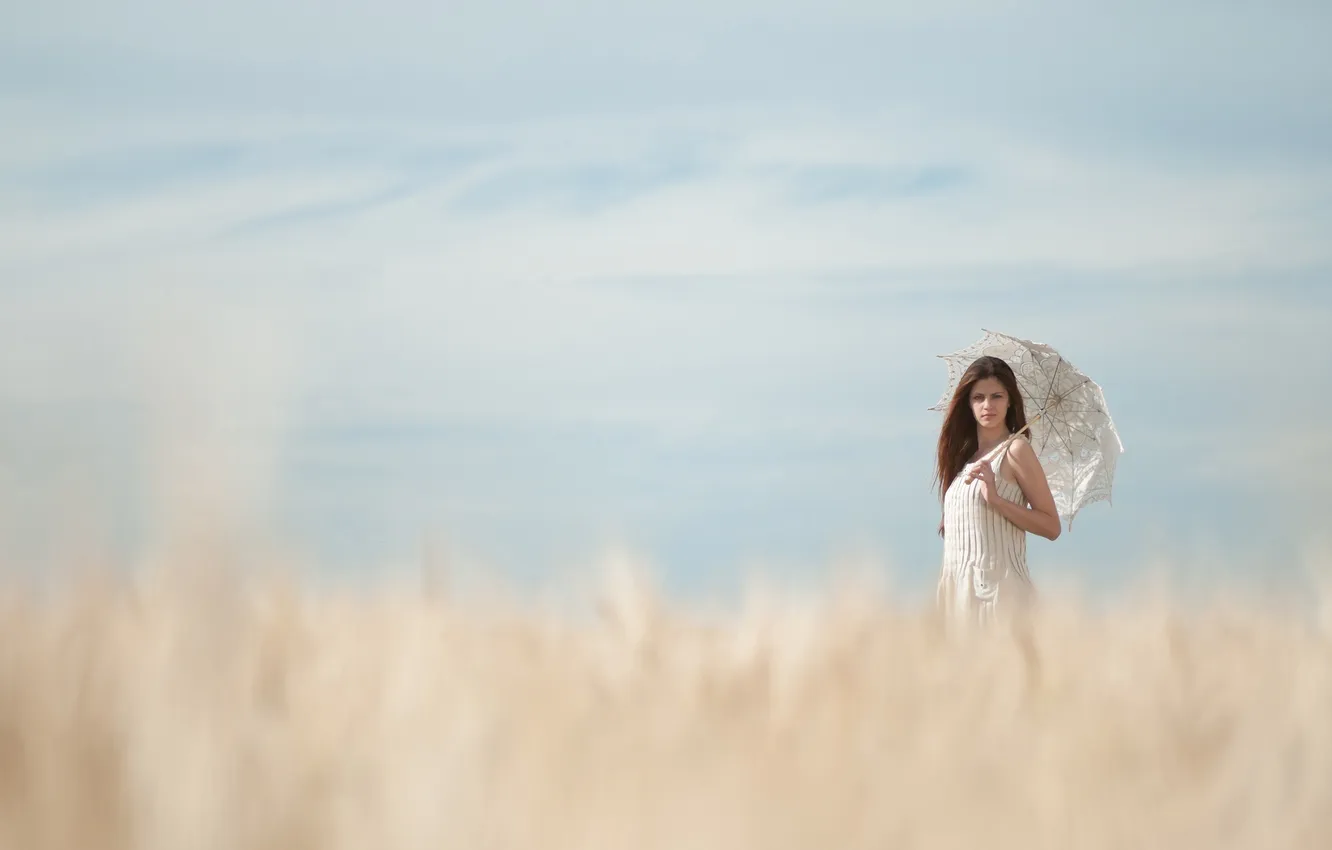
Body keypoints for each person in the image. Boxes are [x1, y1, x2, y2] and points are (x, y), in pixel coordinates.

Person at [934, 355, 1061, 630]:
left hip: (999, 596)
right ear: (968, 403)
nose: (987, 405)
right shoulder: (962, 460)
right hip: (958, 595)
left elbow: (1051, 526)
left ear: (1010, 401)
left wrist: (996, 500)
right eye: (978, 397)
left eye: (997, 396)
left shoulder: (1016, 450)